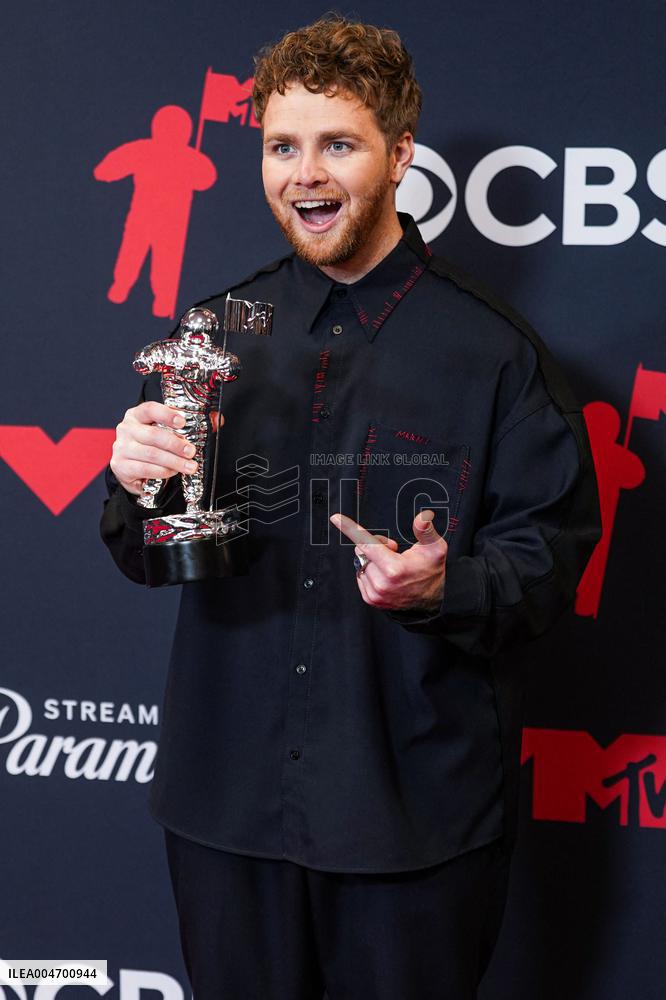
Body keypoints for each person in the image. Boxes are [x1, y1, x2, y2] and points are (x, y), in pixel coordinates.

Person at [100, 14, 602, 1000]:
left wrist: (446, 581)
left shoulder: (494, 352)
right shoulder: (214, 329)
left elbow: (547, 566)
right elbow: (148, 548)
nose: (305, 173)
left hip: (412, 828)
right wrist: (138, 484)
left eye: (338, 144)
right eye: (283, 147)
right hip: (226, 817)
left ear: (400, 156)